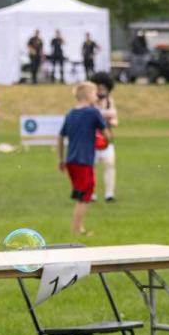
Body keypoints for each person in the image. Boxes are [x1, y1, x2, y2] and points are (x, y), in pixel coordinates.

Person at [59, 82, 111, 236]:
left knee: (82, 192)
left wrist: (61, 158)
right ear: (88, 95)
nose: (97, 96)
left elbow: (61, 137)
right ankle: (77, 229)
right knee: (85, 195)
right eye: (95, 93)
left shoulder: (70, 113)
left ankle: (78, 227)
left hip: (71, 160)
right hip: (84, 160)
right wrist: (106, 141)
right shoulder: (93, 112)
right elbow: (106, 134)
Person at [91, 72, 120, 202]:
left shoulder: (110, 102)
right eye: (99, 88)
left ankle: (109, 194)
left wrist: (108, 120)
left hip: (106, 139)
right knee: (91, 167)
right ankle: (91, 194)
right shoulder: (90, 103)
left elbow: (115, 121)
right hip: (91, 140)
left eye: (104, 88)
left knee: (109, 164)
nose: (101, 91)